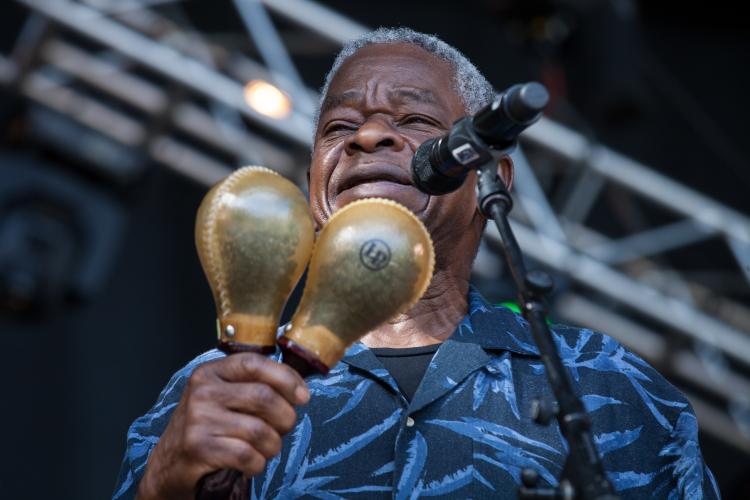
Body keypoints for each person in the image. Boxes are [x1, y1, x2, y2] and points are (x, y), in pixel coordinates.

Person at [113, 28, 720, 499]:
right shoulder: (217, 388)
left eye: (415, 121)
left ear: (491, 178)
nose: (368, 137)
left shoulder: (604, 382)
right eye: (340, 127)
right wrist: (160, 482)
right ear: (314, 179)